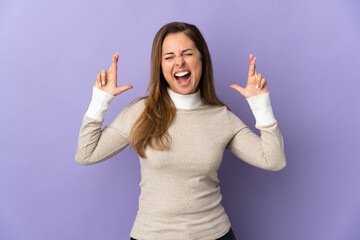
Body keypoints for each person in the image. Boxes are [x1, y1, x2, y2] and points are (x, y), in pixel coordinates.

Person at [75, 22, 286, 240]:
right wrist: (100, 101)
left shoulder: (221, 117)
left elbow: (274, 160)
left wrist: (261, 105)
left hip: (214, 234)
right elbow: (86, 154)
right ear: (160, 66)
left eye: (187, 53)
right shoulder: (141, 112)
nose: (179, 62)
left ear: (202, 59)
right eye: (169, 57)